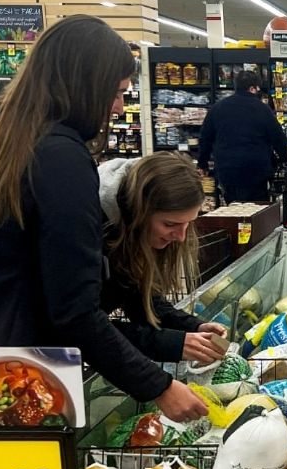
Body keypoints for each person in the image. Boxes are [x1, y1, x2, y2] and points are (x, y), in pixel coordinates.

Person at [0, 15, 209, 423]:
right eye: (117, 92)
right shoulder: (59, 157)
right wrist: (157, 386)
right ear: (85, 83)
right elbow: (73, 309)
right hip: (18, 377)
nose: (118, 107)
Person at [98, 153, 229, 365]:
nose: (181, 236)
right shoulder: (90, 231)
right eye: (170, 224)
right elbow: (80, 326)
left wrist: (192, 327)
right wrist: (174, 344)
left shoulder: (131, 232)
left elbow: (141, 300)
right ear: (139, 211)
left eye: (188, 224)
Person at [197, 69, 287, 203]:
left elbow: (205, 138)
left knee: (232, 207)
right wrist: (283, 158)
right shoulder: (262, 109)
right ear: (253, 88)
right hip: (256, 169)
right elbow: (278, 137)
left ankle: (235, 222)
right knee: (257, 208)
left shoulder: (217, 108)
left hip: (227, 169)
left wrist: (202, 164)